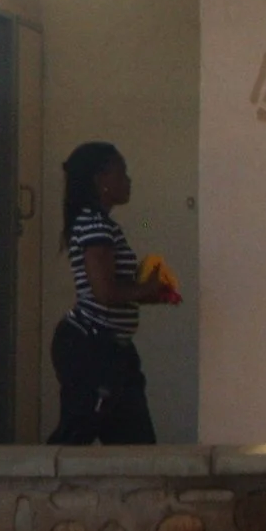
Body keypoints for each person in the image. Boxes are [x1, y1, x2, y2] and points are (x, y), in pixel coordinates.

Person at [48, 139, 175, 445]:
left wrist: (152, 294)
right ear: (100, 179)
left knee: (135, 442)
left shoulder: (103, 225)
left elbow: (115, 291)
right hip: (92, 349)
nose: (128, 180)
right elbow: (104, 292)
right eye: (122, 173)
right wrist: (147, 286)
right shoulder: (94, 226)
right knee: (76, 434)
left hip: (115, 351)